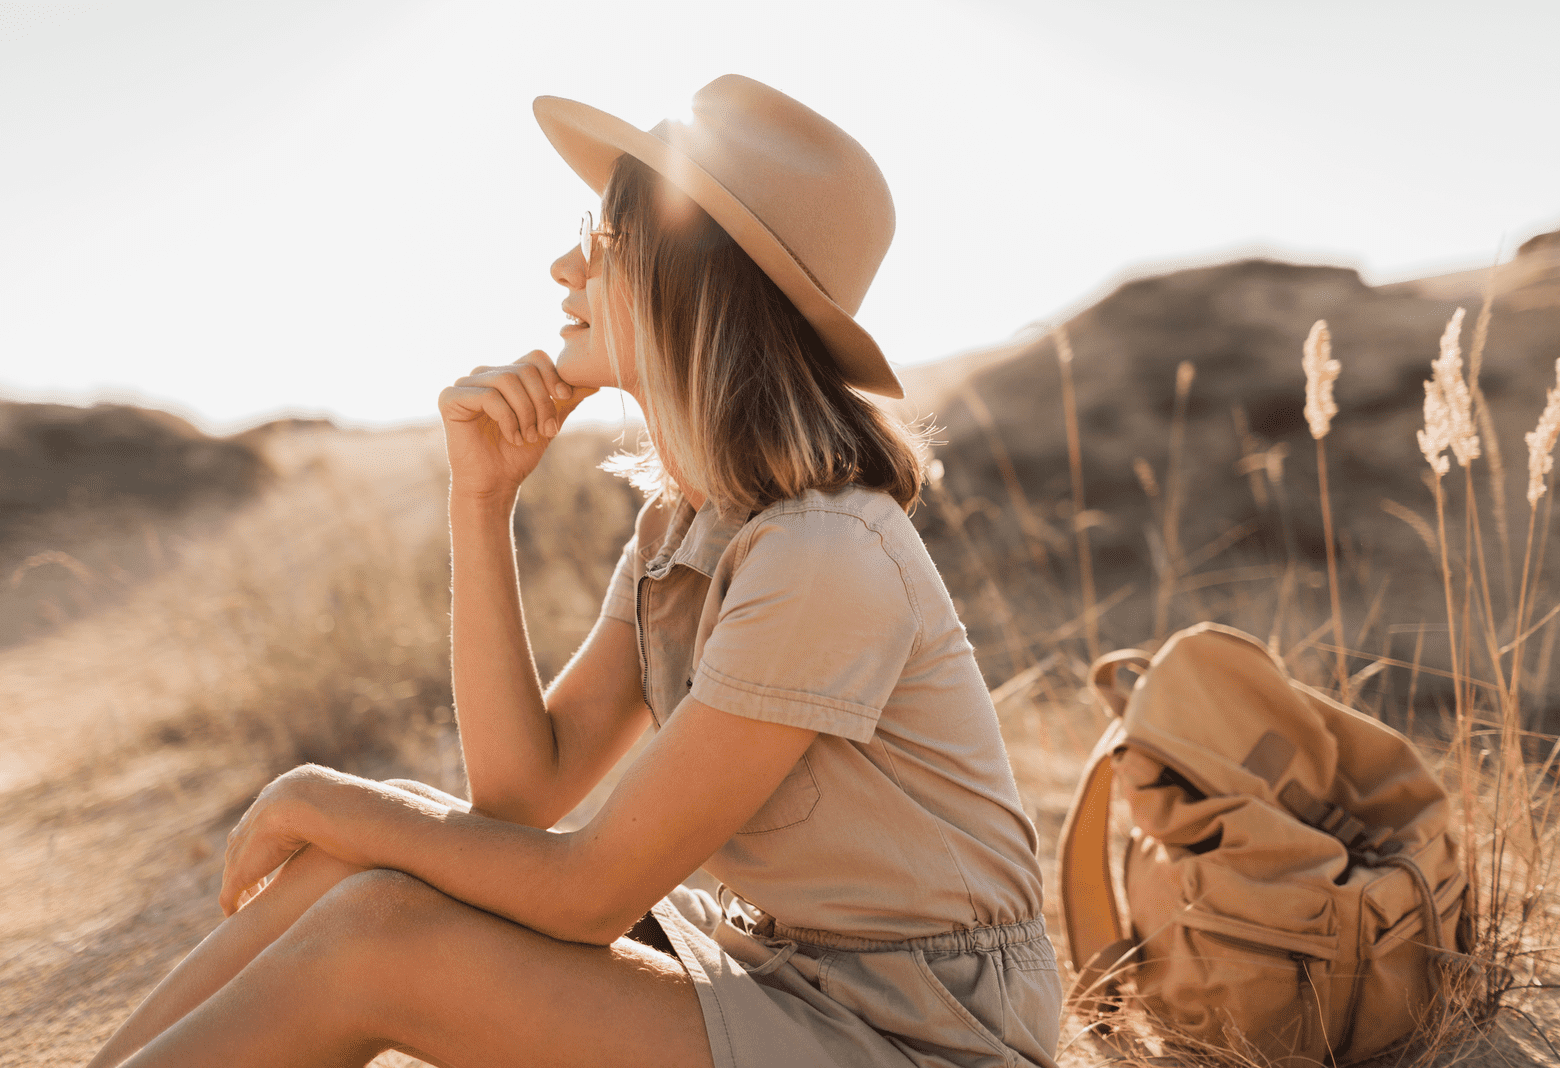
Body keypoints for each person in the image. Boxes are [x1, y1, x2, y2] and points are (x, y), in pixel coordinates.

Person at [87, 74, 1060, 1068]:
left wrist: (324, 794)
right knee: (353, 865)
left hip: (921, 1031)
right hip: (779, 968)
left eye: (603, 242)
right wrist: (483, 502)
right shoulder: (687, 531)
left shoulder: (824, 557)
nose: (563, 267)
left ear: (696, 284)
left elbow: (587, 891)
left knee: (376, 934)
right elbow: (521, 796)